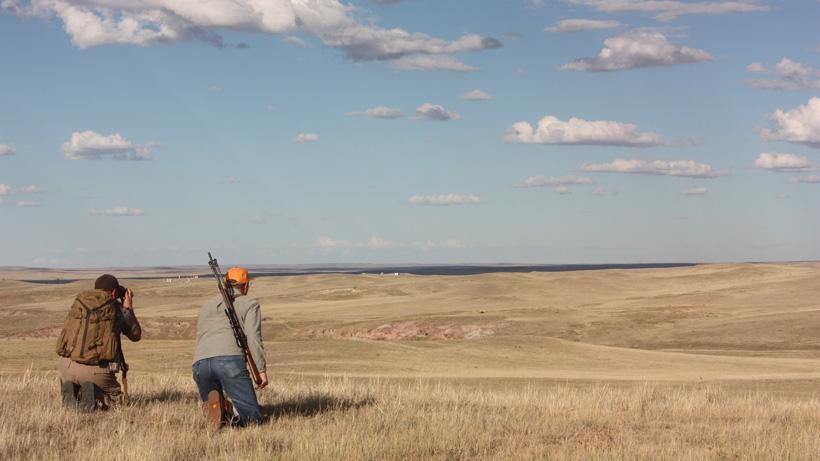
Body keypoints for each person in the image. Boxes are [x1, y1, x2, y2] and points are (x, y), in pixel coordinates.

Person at [192, 266, 268, 429]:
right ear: (246, 286)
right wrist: (260, 370)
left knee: (220, 416)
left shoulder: (207, 306)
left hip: (200, 365)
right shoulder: (250, 304)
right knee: (253, 421)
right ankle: (231, 410)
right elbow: (253, 337)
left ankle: (221, 408)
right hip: (228, 361)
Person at [56, 274, 141, 411]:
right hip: (95, 370)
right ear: (114, 292)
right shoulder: (116, 309)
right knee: (116, 403)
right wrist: (128, 309)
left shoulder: (80, 304)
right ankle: (96, 396)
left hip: (66, 366)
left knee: (77, 383)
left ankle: (75, 391)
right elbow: (135, 335)